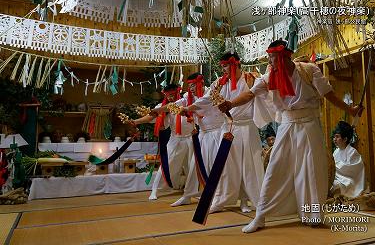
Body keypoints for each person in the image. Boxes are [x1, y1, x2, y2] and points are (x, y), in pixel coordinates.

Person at [217, 39, 363, 233]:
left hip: (310, 124)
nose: (271, 61)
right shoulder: (270, 76)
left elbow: (328, 94)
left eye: (273, 57)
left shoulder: (309, 70)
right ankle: (260, 216)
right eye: (269, 57)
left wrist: (350, 109)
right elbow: (250, 94)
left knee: (311, 170)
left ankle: (312, 215)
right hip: (287, 125)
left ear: (287, 55)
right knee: (275, 167)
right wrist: (230, 104)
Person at [184, 52, 268, 213]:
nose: (223, 69)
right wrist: (189, 108)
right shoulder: (219, 84)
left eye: (226, 65)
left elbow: (257, 93)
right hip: (228, 127)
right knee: (226, 166)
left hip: (248, 126)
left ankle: (249, 200)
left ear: (236, 63)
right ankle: (221, 199)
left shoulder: (251, 78)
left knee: (250, 165)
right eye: (222, 66)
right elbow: (206, 99)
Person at [129, 84, 195, 201]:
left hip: (191, 138)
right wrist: (135, 122)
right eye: (167, 95)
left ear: (177, 92)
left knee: (192, 166)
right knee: (165, 165)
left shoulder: (187, 101)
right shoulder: (162, 107)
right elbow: (150, 117)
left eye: (172, 95)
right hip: (175, 138)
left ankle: (193, 191)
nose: (170, 98)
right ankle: (155, 189)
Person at [330, 121, 365, 198]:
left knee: (339, 186)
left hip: (350, 180)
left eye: (337, 137)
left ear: (345, 139)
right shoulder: (335, 152)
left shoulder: (353, 152)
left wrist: (335, 168)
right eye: (334, 137)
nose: (334, 139)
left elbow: (351, 170)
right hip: (337, 178)